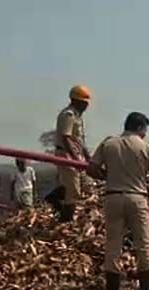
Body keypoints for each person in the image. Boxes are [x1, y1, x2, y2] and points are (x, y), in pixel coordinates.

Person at [85, 112, 149, 290]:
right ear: (140, 128)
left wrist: (107, 177)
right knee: (144, 244)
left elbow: (91, 169)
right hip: (137, 199)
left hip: (113, 198)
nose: (145, 134)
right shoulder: (146, 148)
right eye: (145, 130)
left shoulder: (108, 143)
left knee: (113, 246)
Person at [49, 85, 91, 222]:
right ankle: (65, 220)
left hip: (76, 155)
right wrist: (74, 159)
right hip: (66, 154)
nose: (86, 106)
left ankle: (56, 197)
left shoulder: (78, 117)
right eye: (84, 103)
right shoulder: (68, 115)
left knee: (84, 185)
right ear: (76, 101)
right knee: (73, 191)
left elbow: (78, 139)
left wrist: (87, 156)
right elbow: (66, 138)